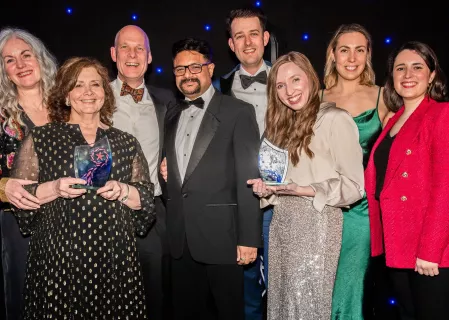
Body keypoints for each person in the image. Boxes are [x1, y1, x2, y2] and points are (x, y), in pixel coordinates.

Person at [9, 57, 156, 319]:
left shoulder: (126, 142)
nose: (88, 92)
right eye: (78, 85)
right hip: (58, 260)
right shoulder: (42, 138)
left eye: (96, 84)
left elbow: (146, 205)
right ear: (66, 95)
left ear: (105, 93)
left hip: (115, 259)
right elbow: (21, 202)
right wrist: (54, 188)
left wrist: (122, 190)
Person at [248, 51, 364, 320]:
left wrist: (306, 189)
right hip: (282, 224)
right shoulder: (282, 126)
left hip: (318, 223)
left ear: (310, 79)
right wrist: (268, 189)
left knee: (308, 308)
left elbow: (355, 186)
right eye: (280, 85)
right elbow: (284, 184)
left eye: (295, 80)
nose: (289, 91)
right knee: (281, 305)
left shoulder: (335, 119)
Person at [163, 38, 262, 320]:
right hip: (180, 240)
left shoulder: (238, 111)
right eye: (180, 69)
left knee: (228, 312)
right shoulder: (171, 113)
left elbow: (248, 177)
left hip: (224, 239)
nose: (187, 74)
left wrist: (248, 238)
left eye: (195, 66)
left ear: (210, 68)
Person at [365, 41, 449, 320]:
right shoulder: (393, 121)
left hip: (433, 252)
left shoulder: (446, 113)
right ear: (392, 78)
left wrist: (430, 251)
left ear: (432, 75)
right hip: (399, 245)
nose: (408, 74)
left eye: (417, 67)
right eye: (400, 68)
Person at [320, 23, 392, 319]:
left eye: (359, 50)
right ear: (333, 55)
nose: (352, 58)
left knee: (352, 286)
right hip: (321, 206)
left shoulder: (383, 95)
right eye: (345, 50)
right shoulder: (316, 97)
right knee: (320, 286)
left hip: (360, 209)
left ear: (368, 55)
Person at [110, 24, 176, 320]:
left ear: (149, 58)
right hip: (104, 210)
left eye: (140, 48)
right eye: (125, 47)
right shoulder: (93, 98)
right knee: (107, 290)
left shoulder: (167, 101)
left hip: (153, 210)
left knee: (154, 293)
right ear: (114, 54)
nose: (132, 54)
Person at [213, 7, 271, 318]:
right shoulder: (217, 89)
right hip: (239, 202)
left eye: (253, 34)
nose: (247, 42)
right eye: (239, 36)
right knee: (245, 286)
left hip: (285, 200)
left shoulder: (293, 80)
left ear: (265, 38)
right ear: (231, 45)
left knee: (284, 282)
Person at [0, 27, 57, 320]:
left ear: (40, 58)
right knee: (28, 302)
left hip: (68, 222)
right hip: (20, 226)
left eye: (26, 55)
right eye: (10, 60)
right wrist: (3, 186)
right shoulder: (1, 116)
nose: (20, 65)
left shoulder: (67, 105)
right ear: (4, 71)